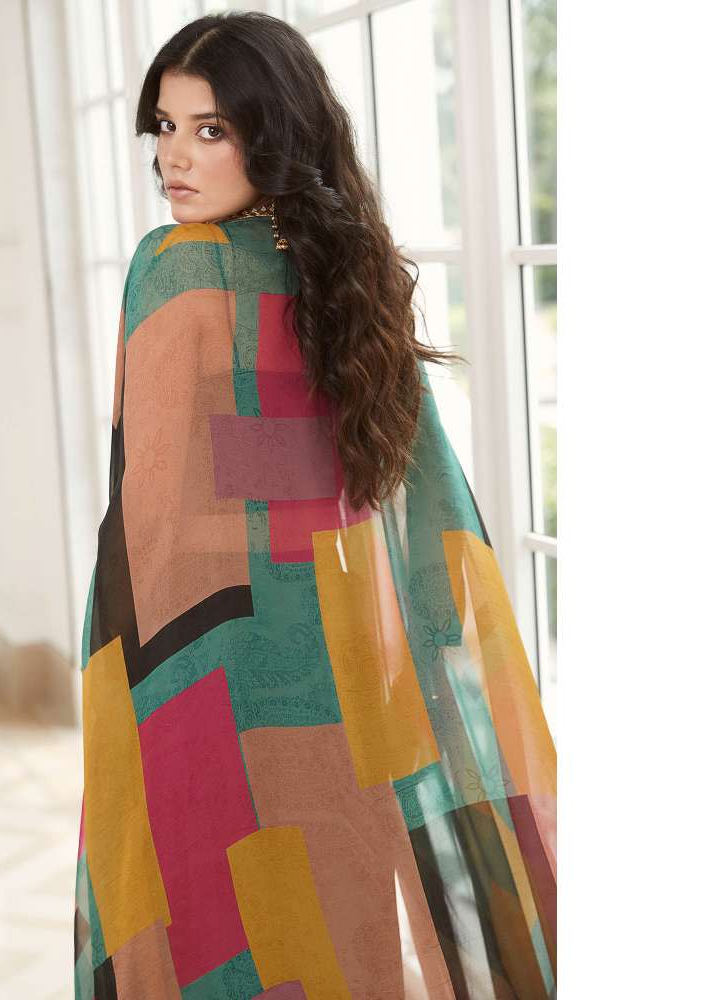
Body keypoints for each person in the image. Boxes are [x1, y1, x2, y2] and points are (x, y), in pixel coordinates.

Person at [73, 11, 556, 1000]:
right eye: (163, 126)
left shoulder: (174, 267)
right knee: (343, 916)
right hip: (351, 655)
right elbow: (397, 479)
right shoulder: (350, 267)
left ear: (273, 131)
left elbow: (150, 515)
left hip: (212, 661)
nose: (173, 157)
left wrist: (129, 694)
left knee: (221, 922)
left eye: (210, 129)